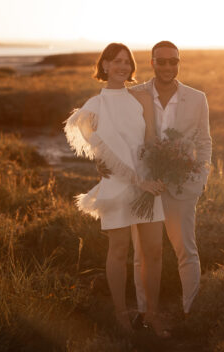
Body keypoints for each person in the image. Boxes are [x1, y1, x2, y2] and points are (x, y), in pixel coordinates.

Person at [64, 43, 170, 337]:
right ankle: (122, 316)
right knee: (119, 250)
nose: (123, 66)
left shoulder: (140, 99)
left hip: (147, 181)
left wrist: (160, 167)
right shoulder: (94, 105)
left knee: (154, 251)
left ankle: (151, 315)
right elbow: (99, 149)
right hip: (118, 185)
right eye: (117, 61)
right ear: (105, 66)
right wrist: (122, 172)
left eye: (128, 62)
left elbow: (149, 140)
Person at [131, 41, 212, 319]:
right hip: (144, 186)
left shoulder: (197, 97)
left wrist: (201, 177)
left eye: (173, 61)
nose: (168, 67)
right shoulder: (134, 94)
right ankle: (144, 313)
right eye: (161, 61)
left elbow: (204, 140)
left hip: (182, 187)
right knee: (142, 255)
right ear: (151, 62)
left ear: (179, 62)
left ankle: (191, 313)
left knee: (186, 251)